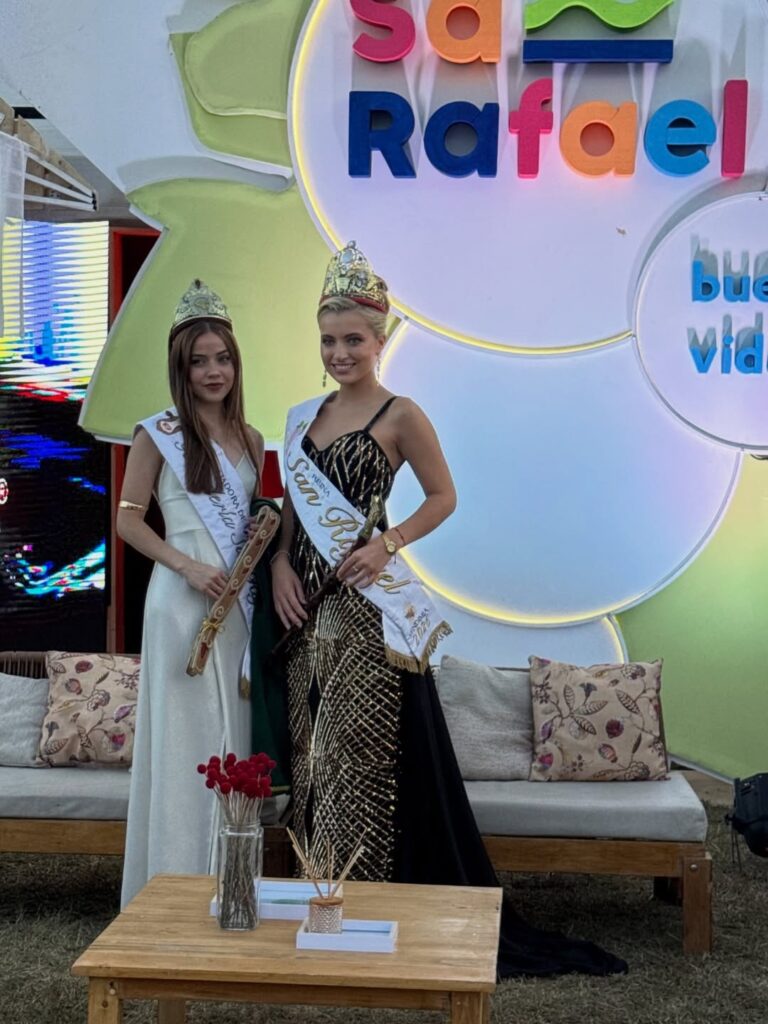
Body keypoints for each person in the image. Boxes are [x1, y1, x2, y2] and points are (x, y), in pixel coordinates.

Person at [271, 242, 627, 977]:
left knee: (359, 752)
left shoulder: (401, 414)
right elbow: (291, 512)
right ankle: (319, 896)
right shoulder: (305, 416)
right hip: (303, 609)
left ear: (380, 339)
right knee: (311, 750)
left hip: (366, 612)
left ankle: (367, 903)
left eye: (353, 339)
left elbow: (444, 497)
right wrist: (278, 564)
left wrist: (387, 544)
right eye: (329, 340)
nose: (340, 353)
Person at [118, 280, 264, 908]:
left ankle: (231, 889)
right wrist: (185, 566)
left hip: (236, 609)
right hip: (179, 604)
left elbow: (253, 524)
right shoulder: (158, 434)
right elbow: (128, 521)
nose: (213, 371)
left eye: (222, 358)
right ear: (181, 368)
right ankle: (170, 892)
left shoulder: (253, 439)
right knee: (184, 745)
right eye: (199, 361)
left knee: (233, 737)